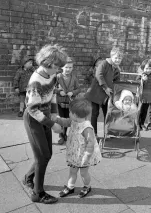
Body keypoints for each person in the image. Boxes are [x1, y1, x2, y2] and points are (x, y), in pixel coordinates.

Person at [22, 44, 68, 204]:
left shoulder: (52, 76)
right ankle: (38, 193)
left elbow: (52, 95)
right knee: (42, 157)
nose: (59, 70)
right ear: (48, 63)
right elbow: (33, 110)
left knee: (47, 154)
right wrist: (52, 125)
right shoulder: (36, 81)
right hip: (33, 120)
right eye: (57, 66)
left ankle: (29, 177)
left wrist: (54, 114)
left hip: (46, 116)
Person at [53, 97, 101, 198]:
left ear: (75, 114)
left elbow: (90, 143)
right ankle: (70, 187)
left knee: (83, 173)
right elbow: (65, 121)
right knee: (72, 171)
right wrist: (56, 119)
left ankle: (87, 186)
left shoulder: (87, 127)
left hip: (83, 156)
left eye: (70, 112)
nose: (69, 114)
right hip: (75, 153)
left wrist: (86, 157)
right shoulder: (73, 121)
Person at [85, 47, 123, 137]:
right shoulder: (104, 63)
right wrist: (105, 87)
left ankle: (107, 132)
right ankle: (94, 133)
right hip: (96, 92)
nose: (117, 60)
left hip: (107, 94)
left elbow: (116, 82)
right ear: (111, 56)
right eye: (116, 57)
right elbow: (99, 75)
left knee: (107, 113)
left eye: (120, 58)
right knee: (95, 113)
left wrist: (115, 92)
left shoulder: (117, 69)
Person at [56, 58, 81, 145]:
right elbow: (53, 88)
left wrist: (72, 92)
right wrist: (59, 91)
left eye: (70, 67)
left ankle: (65, 134)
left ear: (72, 68)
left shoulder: (74, 78)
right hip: (60, 102)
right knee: (60, 119)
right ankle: (61, 136)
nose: (68, 69)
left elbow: (78, 89)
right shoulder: (58, 77)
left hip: (70, 103)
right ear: (62, 67)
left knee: (67, 119)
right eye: (66, 67)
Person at [137, 59, 151, 131]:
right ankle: (137, 124)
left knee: (145, 111)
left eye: (150, 68)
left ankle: (142, 124)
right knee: (139, 111)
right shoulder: (141, 76)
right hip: (141, 96)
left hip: (148, 96)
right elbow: (137, 83)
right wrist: (142, 80)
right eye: (146, 68)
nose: (148, 70)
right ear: (143, 68)